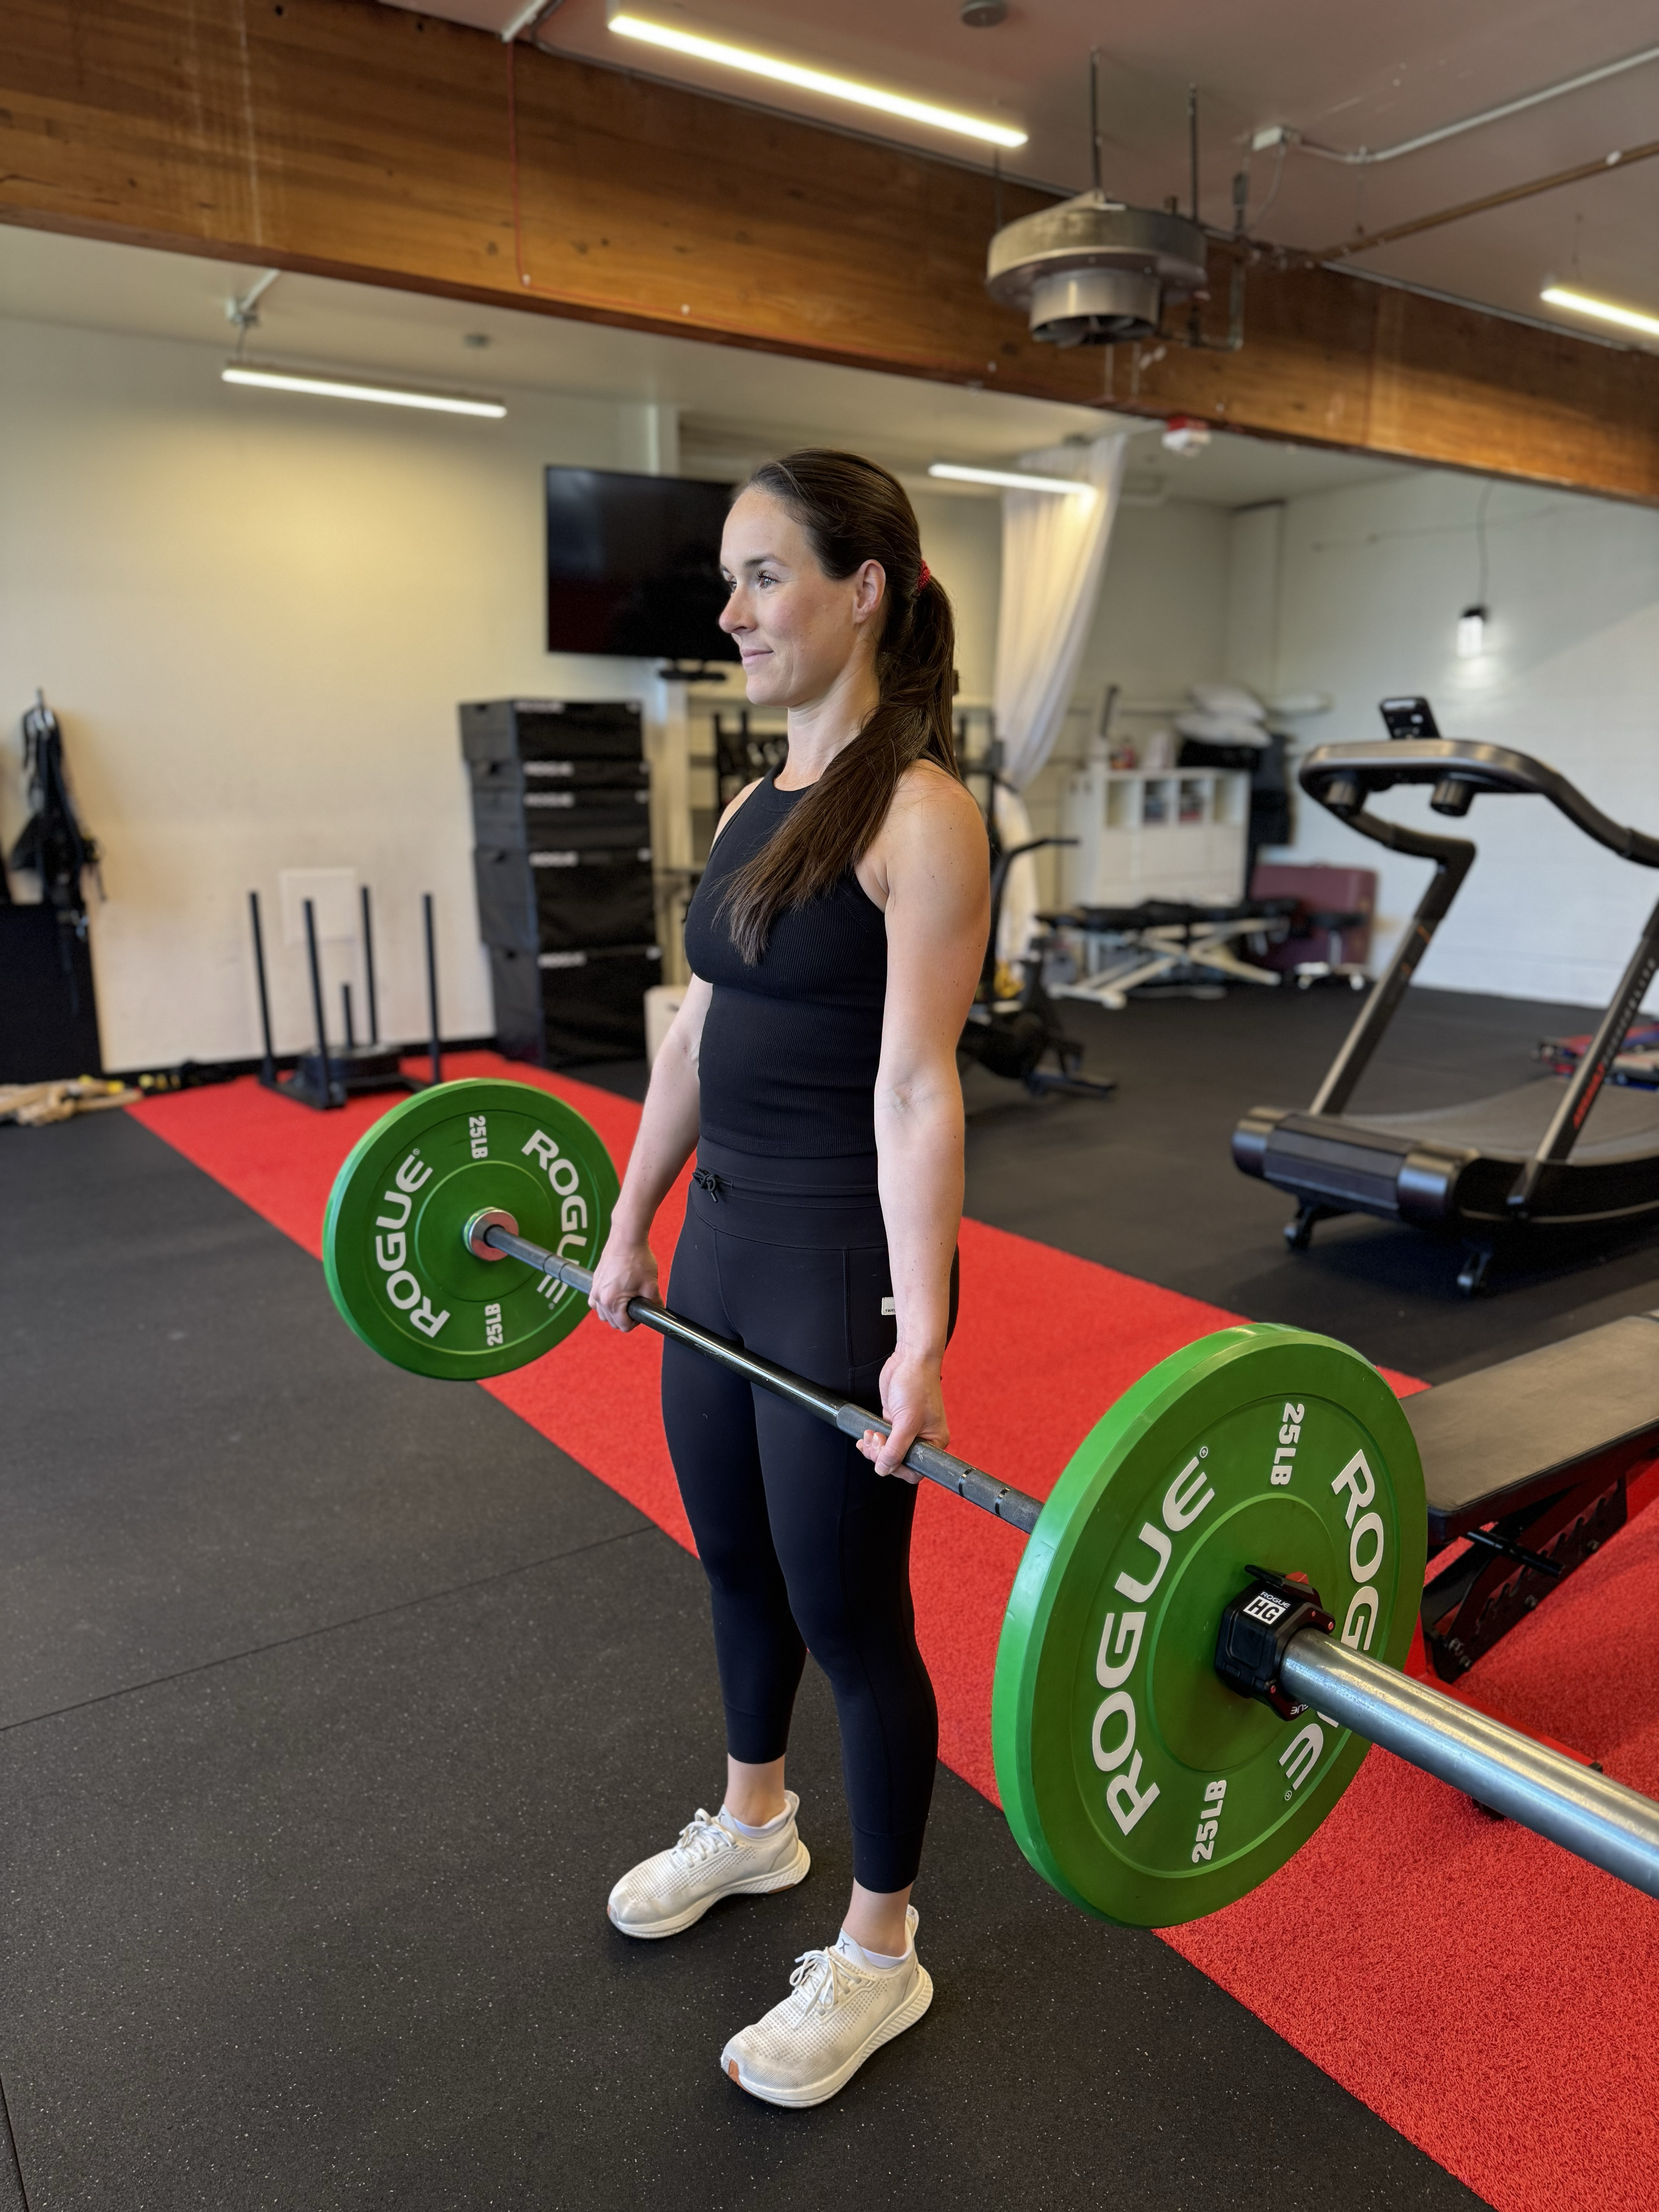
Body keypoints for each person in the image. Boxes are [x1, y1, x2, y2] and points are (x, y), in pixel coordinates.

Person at [589, 449, 989, 2108]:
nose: (734, 609)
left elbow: (915, 1090)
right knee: (734, 1565)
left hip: (833, 1261)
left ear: (864, 587)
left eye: (765, 576)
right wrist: (627, 1223)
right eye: (733, 579)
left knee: (851, 1615)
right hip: (722, 1246)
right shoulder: (763, 797)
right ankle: (755, 1824)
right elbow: (698, 1030)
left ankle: (880, 1950)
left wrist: (917, 1338)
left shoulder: (923, 815)